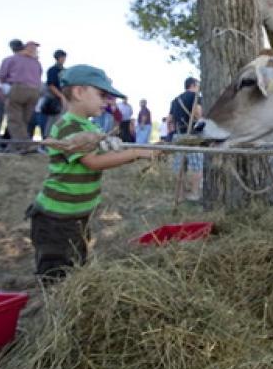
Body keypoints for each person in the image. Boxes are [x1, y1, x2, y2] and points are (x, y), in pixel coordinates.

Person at [26, 64, 157, 283]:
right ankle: (56, 308)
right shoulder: (68, 127)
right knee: (56, 273)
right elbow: (93, 162)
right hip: (55, 217)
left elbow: (101, 148)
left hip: (77, 215)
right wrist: (135, 153)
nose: (107, 101)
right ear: (78, 92)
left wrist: (118, 146)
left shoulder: (90, 128)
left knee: (77, 264)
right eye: (101, 95)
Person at [0, 40, 42, 153]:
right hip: (34, 91)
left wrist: (2, 92)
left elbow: (1, 76)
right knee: (23, 121)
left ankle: (25, 145)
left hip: (18, 89)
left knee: (15, 120)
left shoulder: (10, 60)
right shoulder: (36, 63)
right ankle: (13, 146)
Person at [169, 77, 203, 201]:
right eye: (198, 84)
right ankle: (194, 193)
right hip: (191, 135)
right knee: (197, 166)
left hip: (178, 135)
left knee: (180, 166)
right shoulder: (195, 96)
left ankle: (180, 195)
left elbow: (169, 120)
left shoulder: (175, 100)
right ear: (193, 85)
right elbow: (197, 113)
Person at [43, 49, 66, 136]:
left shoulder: (64, 70)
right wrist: (61, 96)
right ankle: (47, 143)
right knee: (52, 122)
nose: (64, 59)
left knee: (62, 122)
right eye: (62, 57)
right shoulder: (53, 70)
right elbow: (51, 85)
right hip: (55, 100)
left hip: (63, 100)